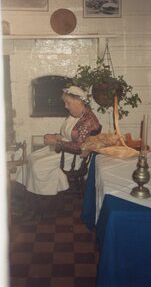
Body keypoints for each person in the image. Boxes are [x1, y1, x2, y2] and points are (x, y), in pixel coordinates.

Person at [15, 86, 100, 219]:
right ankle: (27, 196)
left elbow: (79, 147)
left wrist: (56, 142)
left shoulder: (88, 120)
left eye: (68, 103)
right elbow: (67, 135)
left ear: (78, 102)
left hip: (73, 156)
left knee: (38, 165)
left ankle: (41, 205)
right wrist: (55, 136)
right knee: (31, 157)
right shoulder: (75, 114)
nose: (66, 106)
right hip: (63, 148)